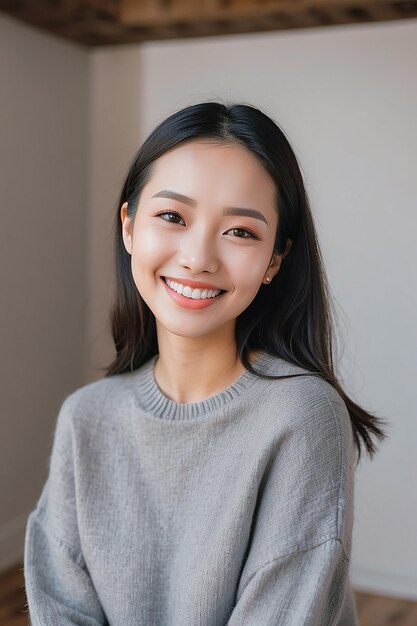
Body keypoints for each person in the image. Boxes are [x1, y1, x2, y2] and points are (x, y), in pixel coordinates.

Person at [24, 101, 388, 625]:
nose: (198, 257)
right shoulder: (86, 418)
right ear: (128, 227)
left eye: (240, 231)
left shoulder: (302, 416)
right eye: (172, 216)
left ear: (275, 260)